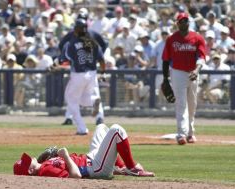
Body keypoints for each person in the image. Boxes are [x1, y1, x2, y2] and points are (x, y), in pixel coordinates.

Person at [13, 123, 155, 178]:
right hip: (95, 168)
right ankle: (132, 167)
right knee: (116, 130)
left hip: (91, 159)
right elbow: (75, 176)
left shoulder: (44, 163)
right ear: (30, 171)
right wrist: (66, 156)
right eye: (27, 162)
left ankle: (122, 167)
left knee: (101, 127)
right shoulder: (45, 171)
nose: (30, 158)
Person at [162, 12, 206, 145]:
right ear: (177, 23)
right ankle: (181, 134)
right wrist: (165, 79)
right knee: (181, 103)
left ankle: (191, 132)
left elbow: (202, 57)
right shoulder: (171, 39)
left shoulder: (197, 38)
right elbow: (165, 60)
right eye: (181, 21)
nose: (184, 23)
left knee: (192, 104)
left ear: (189, 22)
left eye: (186, 20)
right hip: (177, 72)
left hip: (193, 72)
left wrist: (197, 70)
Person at [59, 12, 107, 126]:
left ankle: (75, 122)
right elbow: (102, 48)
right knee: (89, 95)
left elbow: (62, 46)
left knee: (73, 97)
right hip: (92, 70)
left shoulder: (73, 36)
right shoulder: (92, 36)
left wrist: (66, 59)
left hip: (78, 71)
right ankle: (98, 116)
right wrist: (93, 60)